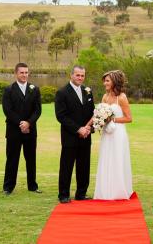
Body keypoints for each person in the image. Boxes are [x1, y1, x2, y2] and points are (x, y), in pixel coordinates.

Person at [55, 65, 95, 203]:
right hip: (70, 136)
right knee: (66, 166)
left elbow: (93, 113)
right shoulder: (62, 92)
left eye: (82, 75)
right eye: (77, 75)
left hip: (86, 136)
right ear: (71, 75)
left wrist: (88, 128)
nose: (80, 78)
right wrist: (79, 129)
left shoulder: (88, 91)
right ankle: (64, 195)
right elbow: (61, 116)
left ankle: (81, 193)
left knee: (84, 166)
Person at [2, 63, 42, 195]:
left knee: (31, 159)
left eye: (26, 72)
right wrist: (21, 123)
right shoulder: (8, 90)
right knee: (12, 159)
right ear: (16, 73)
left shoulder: (34, 89)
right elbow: (8, 110)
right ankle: (8, 187)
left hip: (30, 131)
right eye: (22, 72)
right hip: (14, 131)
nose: (24, 75)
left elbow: (38, 110)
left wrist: (28, 123)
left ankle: (32, 185)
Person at [94, 70, 133, 200]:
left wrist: (112, 119)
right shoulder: (105, 97)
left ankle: (118, 191)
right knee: (106, 158)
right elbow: (99, 114)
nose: (105, 83)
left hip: (118, 133)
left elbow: (129, 118)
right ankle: (105, 191)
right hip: (107, 133)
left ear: (114, 82)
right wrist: (99, 122)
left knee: (117, 159)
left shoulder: (121, 97)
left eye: (107, 80)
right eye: (104, 80)